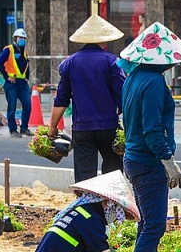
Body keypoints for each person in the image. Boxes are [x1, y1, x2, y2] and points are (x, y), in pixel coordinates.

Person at [118, 22, 181, 252]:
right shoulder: (153, 83)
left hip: (134, 158)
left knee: (147, 222)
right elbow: (152, 130)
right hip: (147, 162)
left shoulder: (134, 78)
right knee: (154, 226)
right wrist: (168, 161)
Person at [26, 170, 139, 252]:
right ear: (108, 203)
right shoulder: (92, 220)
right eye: (118, 213)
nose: (116, 218)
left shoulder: (79, 212)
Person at [49, 15, 126, 182]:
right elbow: (123, 96)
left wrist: (52, 127)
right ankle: (110, 206)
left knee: (85, 178)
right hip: (108, 127)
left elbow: (61, 99)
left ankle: (88, 207)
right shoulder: (112, 61)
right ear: (104, 42)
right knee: (113, 175)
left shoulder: (70, 63)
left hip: (82, 129)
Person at [0, 28, 32, 138]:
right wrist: (7, 77)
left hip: (22, 83)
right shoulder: (9, 49)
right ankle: (13, 130)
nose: (22, 40)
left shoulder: (24, 51)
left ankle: (24, 128)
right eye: (20, 38)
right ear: (15, 38)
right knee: (12, 107)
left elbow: (27, 65)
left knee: (28, 105)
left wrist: (27, 77)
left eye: (24, 38)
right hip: (12, 83)